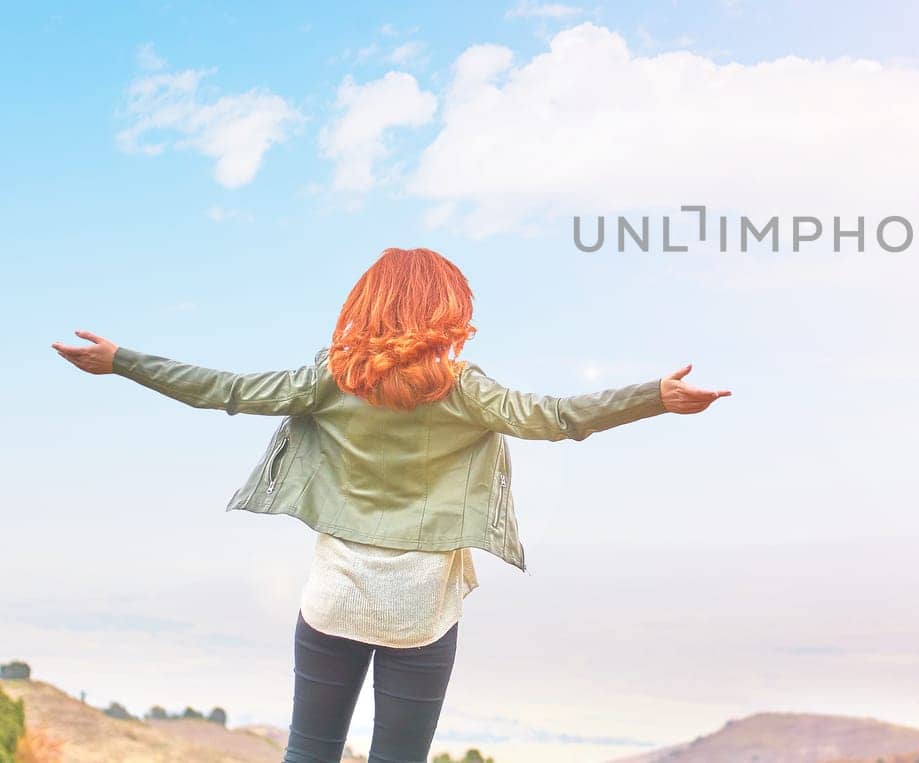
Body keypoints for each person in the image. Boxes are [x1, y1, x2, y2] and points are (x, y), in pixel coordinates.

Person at [50, 246, 732, 763]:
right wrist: (653, 397)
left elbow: (225, 387)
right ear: (448, 311)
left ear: (369, 303)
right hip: (422, 613)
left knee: (308, 752)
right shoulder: (467, 390)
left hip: (332, 601)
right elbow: (556, 414)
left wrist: (123, 360)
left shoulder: (331, 377)